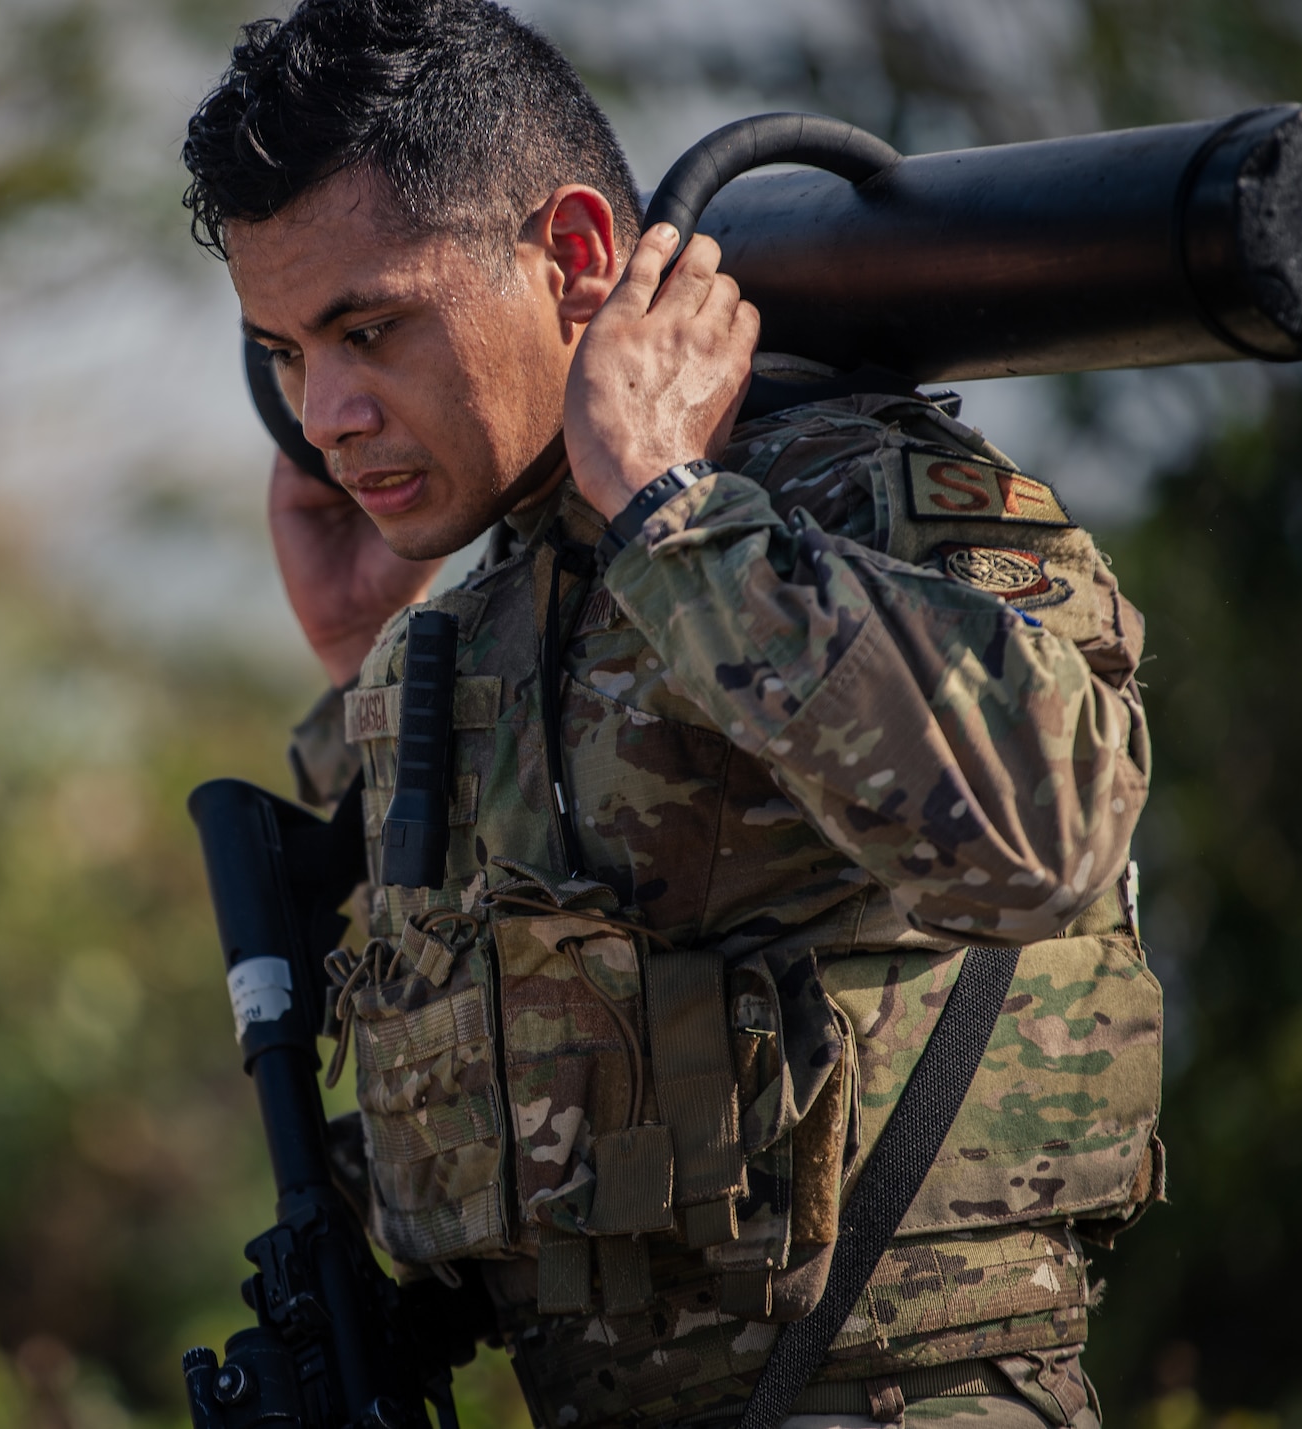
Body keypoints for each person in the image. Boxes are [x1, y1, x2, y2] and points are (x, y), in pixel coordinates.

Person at [181, 3, 1160, 1426]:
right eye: (282, 354)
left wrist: (667, 506)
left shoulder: (843, 494)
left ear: (575, 257)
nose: (323, 410)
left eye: (368, 327)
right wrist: (365, 663)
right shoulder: (488, 603)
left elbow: (1046, 830)